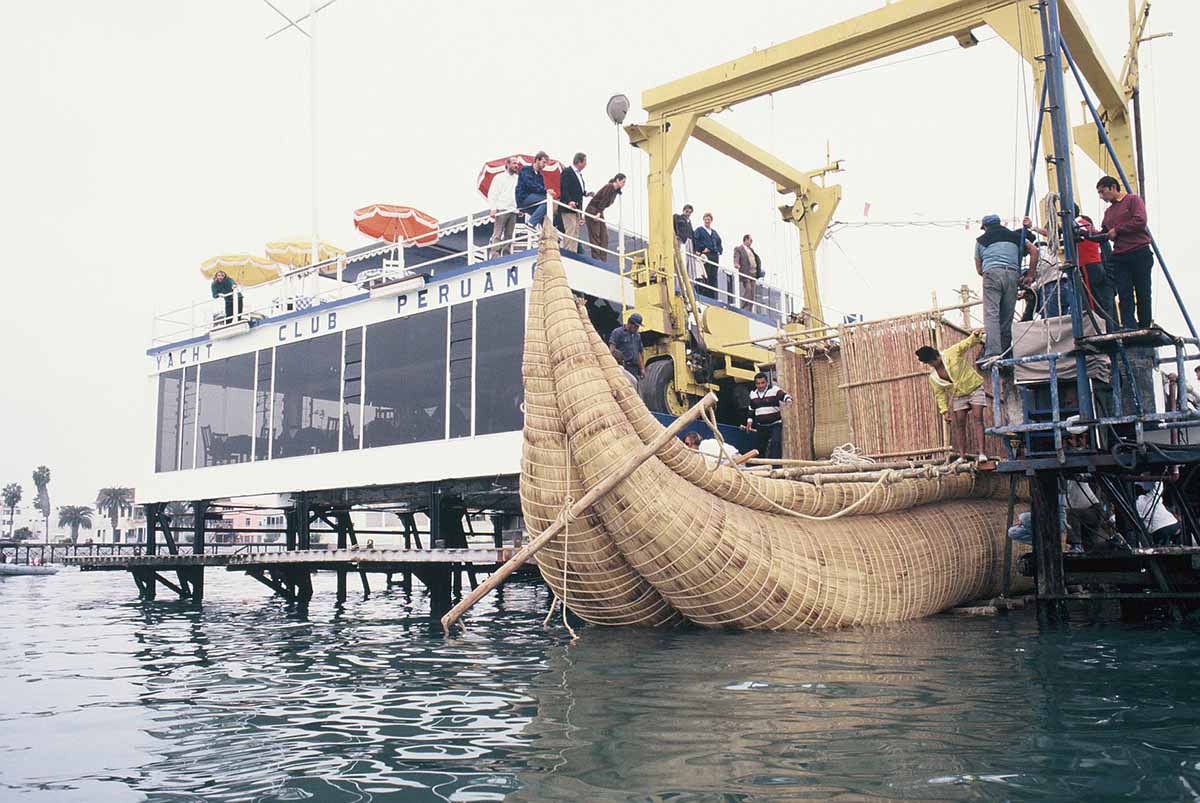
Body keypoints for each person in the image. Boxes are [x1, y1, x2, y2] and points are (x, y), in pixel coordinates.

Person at [975, 214, 1038, 363]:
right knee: (1007, 316)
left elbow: (979, 269)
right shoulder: (1015, 236)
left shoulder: (980, 241)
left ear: (985, 227)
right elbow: (1034, 251)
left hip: (991, 273)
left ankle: (993, 353)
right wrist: (1030, 275)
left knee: (992, 314)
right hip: (1012, 274)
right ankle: (1005, 351)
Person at [916, 330, 987, 458]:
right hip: (959, 396)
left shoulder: (951, 353)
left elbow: (965, 344)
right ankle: (962, 456)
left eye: (932, 362)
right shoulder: (933, 377)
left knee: (978, 419)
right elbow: (940, 394)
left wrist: (975, 336)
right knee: (959, 424)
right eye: (929, 364)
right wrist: (944, 411)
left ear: (936, 357)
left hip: (974, 388)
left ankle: (982, 453)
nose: (931, 365)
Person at [1097, 175, 1154, 330]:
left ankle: (1144, 326)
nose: (1102, 196)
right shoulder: (1108, 213)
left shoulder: (1133, 200)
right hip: (1121, 256)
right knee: (1124, 293)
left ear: (1113, 187)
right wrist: (1085, 233)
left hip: (1139, 252)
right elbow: (1103, 233)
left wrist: (1118, 230)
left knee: (1142, 292)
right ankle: (1129, 325)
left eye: (1103, 192)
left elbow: (1140, 220)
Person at [743, 372, 792, 461]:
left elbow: (784, 395)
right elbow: (751, 409)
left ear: (766, 382)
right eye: (758, 383)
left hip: (775, 424)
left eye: (763, 383)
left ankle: (776, 468)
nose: (760, 385)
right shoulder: (753, 394)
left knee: (775, 444)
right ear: (755, 384)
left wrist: (788, 400)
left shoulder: (774, 390)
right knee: (759, 447)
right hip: (761, 425)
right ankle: (760, 467)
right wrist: (749, 421)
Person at [584, 173, 625, 260]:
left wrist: (599, 212)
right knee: (595, 235)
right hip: (593, 210)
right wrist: (598, 213)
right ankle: (596, 258)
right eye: (623, 182)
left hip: (599, 210)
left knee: (604, 236)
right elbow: (604, 200)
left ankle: (602, 259)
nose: (624, 184)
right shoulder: (610, 187)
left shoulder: (614, 191)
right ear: (617, 180)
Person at [487, 156, 521, 257]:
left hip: (513, 210)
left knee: (509, 235)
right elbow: (492, 194)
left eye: (517, 164)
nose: (516, 166)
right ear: (507, 164)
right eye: (514, 163)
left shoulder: (518, 179)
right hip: (502, 208)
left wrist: (519, 208)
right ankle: (495, 254)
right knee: (498, 233)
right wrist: (493, 209)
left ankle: (506, 254)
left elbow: (519, 194)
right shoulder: (499, 177)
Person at [556, 152, 589, 253]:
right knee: (570, 229)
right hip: (568, 207)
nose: (586, 164)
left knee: (576, 231)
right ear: (579, 161)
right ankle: (568, 251)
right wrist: (569, 201)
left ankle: (573, 252)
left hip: (577, 208)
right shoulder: (567, 172)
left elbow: (577, 190)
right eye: (585, 161)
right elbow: (564, 188)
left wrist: (586, 193)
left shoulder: (579, 174)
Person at [516, 151, 551, 230]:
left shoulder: (540, 175)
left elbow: (539, 188)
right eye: (544, 162)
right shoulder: (526, 169)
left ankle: (548, 232)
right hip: (524, 198)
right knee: (547, 200)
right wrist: (546, 191)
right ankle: (531, 223)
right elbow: (530, 184)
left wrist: (545, 192)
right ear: (537, 160)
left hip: (533, 201)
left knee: (545, 211)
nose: (544, 165)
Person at [692, 213, 723, 300]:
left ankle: (713, 297)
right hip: (705, 255)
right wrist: (701, 249)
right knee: (705, 274)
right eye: (705, 219)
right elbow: (695, 240)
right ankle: (705, 295)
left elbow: (719, 243)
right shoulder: (699, 230)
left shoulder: (714, 233)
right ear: (703, 220)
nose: (707, 221)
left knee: (713, 276)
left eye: (708, 219)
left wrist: (718, 251)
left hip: (714, 256)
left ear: (711, 221)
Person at [608, 312, 645, 379]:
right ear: (630, 323)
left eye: (638, 326)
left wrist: (642, 369)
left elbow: (639, 353)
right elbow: (611, 349)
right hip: (623, 367)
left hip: (634, 369)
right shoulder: (618, 332)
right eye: (636, 326)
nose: (637, 328)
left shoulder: (637, 336)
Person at [732, 234, 763, 312]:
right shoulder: (739, 249)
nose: (751, 242)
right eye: (750, 240)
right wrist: (736, 263)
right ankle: (743, 308)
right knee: (748, 290)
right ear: (745, 240)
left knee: (752, 294)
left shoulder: (751, 250)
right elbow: (736, 256)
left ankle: (749, 310)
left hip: (753, 273)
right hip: (746, 273)